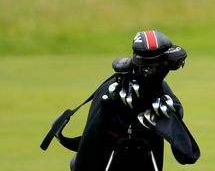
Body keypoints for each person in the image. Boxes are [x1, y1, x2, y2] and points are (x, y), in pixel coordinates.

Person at [41, 30, 199, 171]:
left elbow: (185, 147)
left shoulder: (160, 89)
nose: (161, 69)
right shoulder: (114, 89)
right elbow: (92, 138)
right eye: (155, 66)